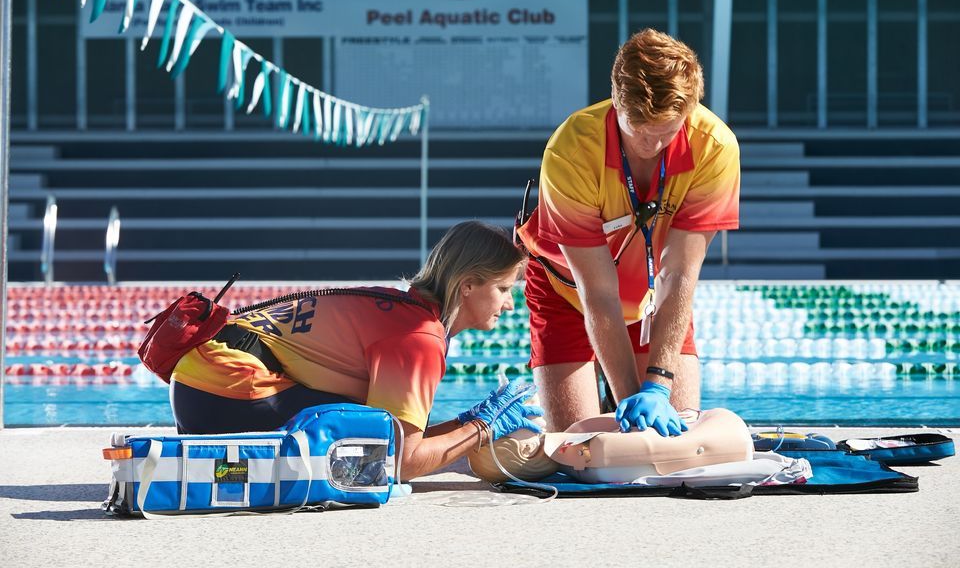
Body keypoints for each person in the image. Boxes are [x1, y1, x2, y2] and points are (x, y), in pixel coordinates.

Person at [169, 220, 543, 480]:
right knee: (364, 459)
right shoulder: (420, 338)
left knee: (372, 433)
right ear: (468, 285)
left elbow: (402, 438)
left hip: (199, 388)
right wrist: (482, 427)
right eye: (504, 289)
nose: (510, 304)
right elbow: (401, 461)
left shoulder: (404, 310)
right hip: (229, 392)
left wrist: (468, 423)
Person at [515, 28, 740, 436]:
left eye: (667, 132)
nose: (651, 145)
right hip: (566, 292)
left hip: (653, 299)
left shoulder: (715, 147)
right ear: (615, 102)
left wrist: (655, 386)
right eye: (638, 128)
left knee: (677, 445)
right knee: (580, 448)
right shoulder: (571, 150)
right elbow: (597, 293)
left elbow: (679, 274)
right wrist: (627, 402)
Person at [467, 408, 754, 484]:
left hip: (715, 431)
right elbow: (692, 448)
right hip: (728, 436)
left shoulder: (574, 442)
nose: (510, 417)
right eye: (505, 427)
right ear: (525, 451)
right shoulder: (587, 453)